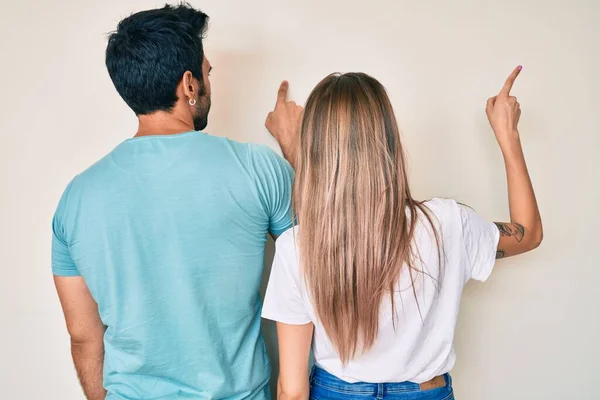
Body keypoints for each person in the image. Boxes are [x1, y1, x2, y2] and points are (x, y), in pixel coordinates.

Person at [51, 3, 301, 399]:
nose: (208, 82)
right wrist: (294, 148)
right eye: (206, 73)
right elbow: (323, 255)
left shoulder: (77, 197)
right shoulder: (257, 168)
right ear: (188, 85)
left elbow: (84, 338)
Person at [261, 67, 543, 399]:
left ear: (316, 150)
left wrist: (293, 148)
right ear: (389, 140)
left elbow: (292, 392)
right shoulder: (447, 225)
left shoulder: (298, 246)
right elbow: (529, 233)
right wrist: (507, 134)